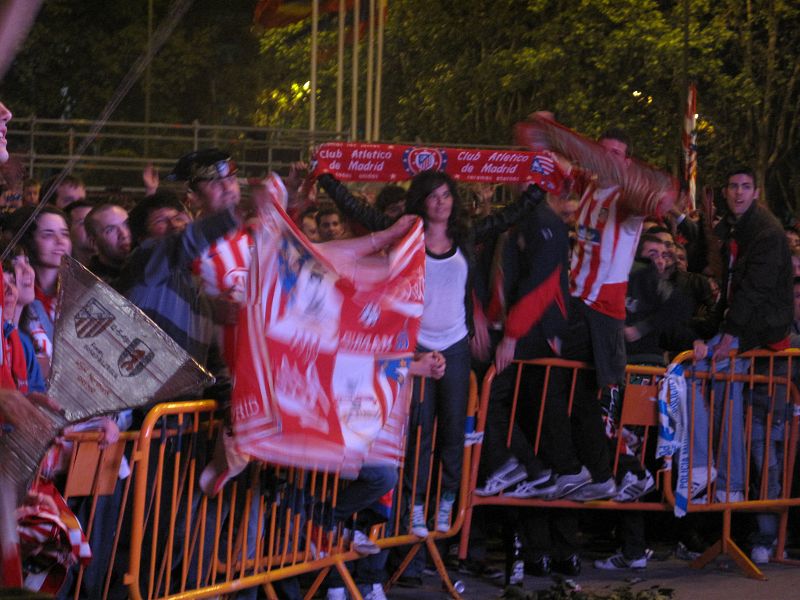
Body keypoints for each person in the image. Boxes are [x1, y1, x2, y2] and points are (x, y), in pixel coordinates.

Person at [318, 169, 546, 541]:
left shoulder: (466, 237)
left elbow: (505, 218)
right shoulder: (405, 234)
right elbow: (360, 211)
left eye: (446, 195)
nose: (441, 202)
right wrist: (327, 179)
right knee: (419, 432)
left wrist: (537, 190)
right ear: (421, 201)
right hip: (416, 345)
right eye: (433, 196)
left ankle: (447, 500)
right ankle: (416, 505)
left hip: (455, 344)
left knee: (454, 430)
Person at [689, 166, 793, 504]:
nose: (738, 193)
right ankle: (727, 483)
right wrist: (706, 330)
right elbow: (731, 287)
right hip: (744, 327)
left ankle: (713, 472)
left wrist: (729, 337)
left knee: (696, 377)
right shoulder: (732, 229)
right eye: (733, 186)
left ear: (756, 192)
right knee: (721, 386)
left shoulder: (767, 232)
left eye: (745, 187)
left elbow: (754, 290)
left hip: (760, 331)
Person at [84, 203, 131, 285]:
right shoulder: (89, 283)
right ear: (94, 243)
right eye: (110, 230)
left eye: (126, 224)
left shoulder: (149, 265)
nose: (124, 234)